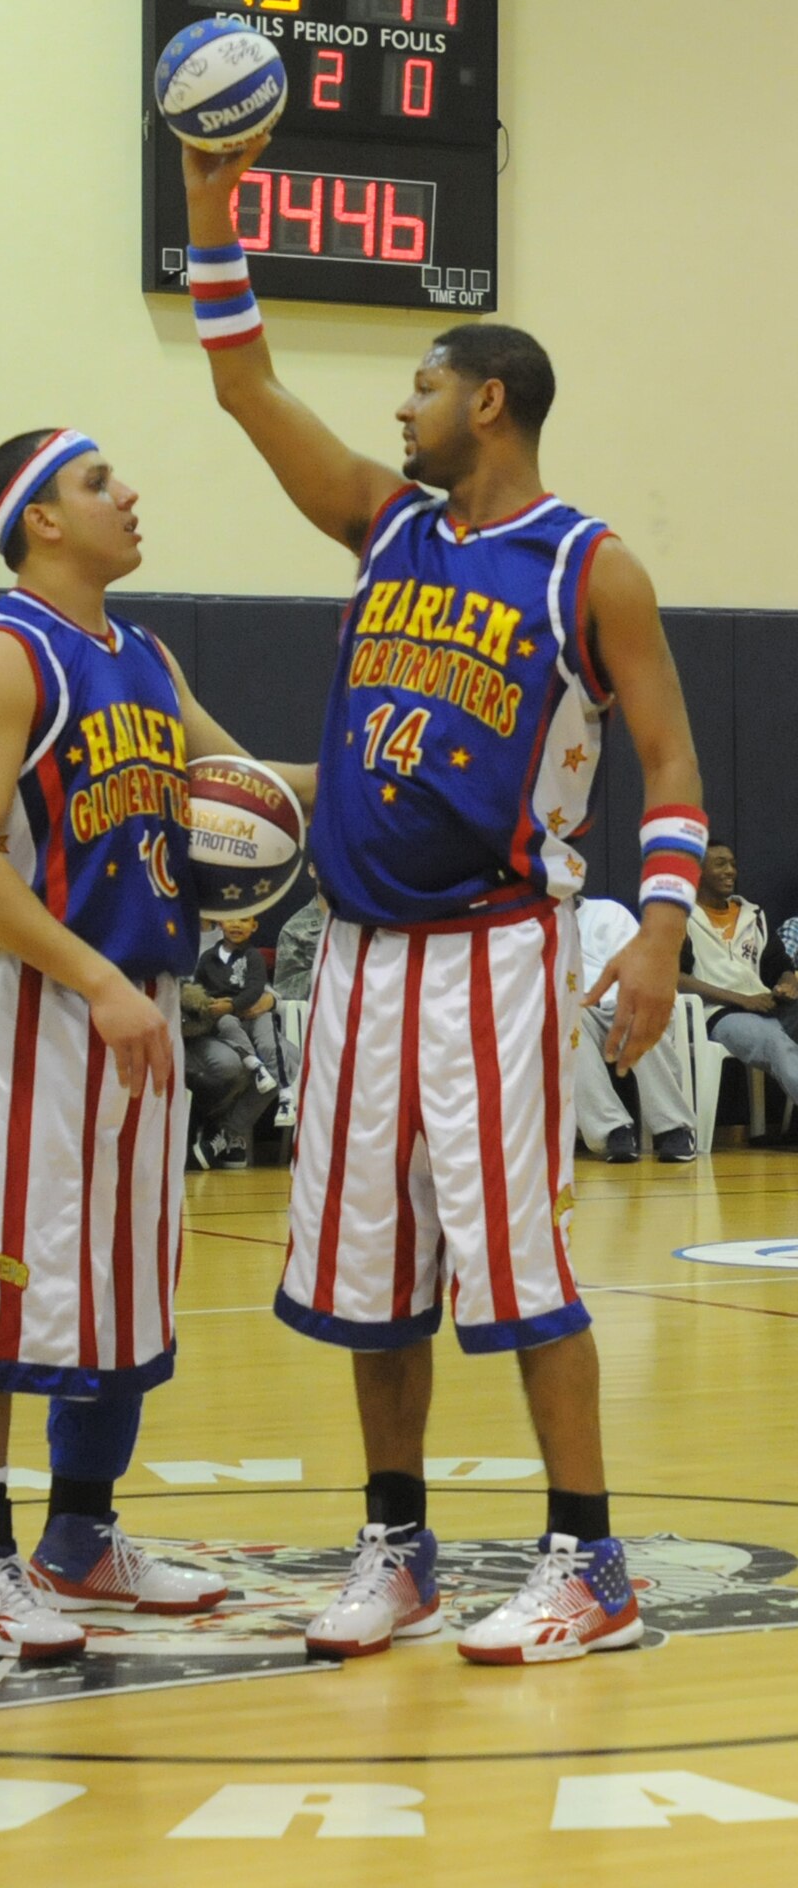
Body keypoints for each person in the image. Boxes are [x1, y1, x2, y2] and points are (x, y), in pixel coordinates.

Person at [181, 137, 703, 1666]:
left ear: (487, 400)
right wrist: (213, 200)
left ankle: (589, 1561)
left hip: (496, 948)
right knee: (369, 1274)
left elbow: (669, 761)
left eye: (416, 386)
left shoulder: (588, 566)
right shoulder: (386, 527)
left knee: (525, 1271)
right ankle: (397, 1546)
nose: (393, 412)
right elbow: (241, 386)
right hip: (352, 955)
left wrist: (662, 933)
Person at [0, 428, 314, 1658]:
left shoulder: (144, 655)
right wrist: (94, 979)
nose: (129, 494)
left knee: (118, 1280)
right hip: (26, 1001)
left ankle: (79, 1536)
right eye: (96, 481)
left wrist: (378, 777)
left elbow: (234, 778)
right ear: (40, 520)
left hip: (134, 1000)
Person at [679, 841, 798, 1121]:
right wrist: (742, 1000)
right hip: (719, 1014)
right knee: (775, 1043)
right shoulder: (681, 918)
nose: (730, 870)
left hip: (767, 1005)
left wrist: (788, 983)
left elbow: (780, 965)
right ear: (697, 871)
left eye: (732, 863)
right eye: (720, 863)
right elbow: (677, 979)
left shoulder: (752, 916)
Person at [574, 897, 695, 1162]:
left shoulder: (608, 911)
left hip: (626, 1000)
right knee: (568, 1024)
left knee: (636, 1015)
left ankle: (674, 1127)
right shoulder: (532, 927)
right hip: (581, 1010)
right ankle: (613, 1130)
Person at [181, 977, 273, 1168]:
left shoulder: (248, 957)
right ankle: (218, 1132)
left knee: (283, 1060)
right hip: (197, 1020)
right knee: (228, 1063)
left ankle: (226, 1133)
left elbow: (263, 986)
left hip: (241, 1013)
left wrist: (270, 998)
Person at [194, 914, 283, 1089]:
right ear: (221, 924)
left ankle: (285, 1098)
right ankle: (255, 1064)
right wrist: (208, 1002)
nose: (236, 925)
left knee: (286, 1055)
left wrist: (271, 1000)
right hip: (210, 1020)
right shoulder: (207, 957)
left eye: (243, 920)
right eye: (230, 920)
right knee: (229, 1056)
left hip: (250, 1012)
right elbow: (197, 988)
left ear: (254, 926)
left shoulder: (252, 955)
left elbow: (258, 986)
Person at [273, 860, 328, 1001]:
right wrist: (327, 972)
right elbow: (284, 988)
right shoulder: (295, 929)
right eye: (328, 862)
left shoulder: (363, 921)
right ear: (312, 869)